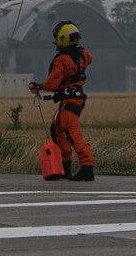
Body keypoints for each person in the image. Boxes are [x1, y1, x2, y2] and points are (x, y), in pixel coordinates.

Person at [31, 20, 94, 181]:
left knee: (72, 133)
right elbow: (89, 58)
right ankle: (64, 168)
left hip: (70, 102)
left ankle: (87, 168)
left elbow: (52, 84)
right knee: (56, 130)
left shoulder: (62, 59)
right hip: (74, 99)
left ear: (63, 39)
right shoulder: (82, 54)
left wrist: (38, 86)